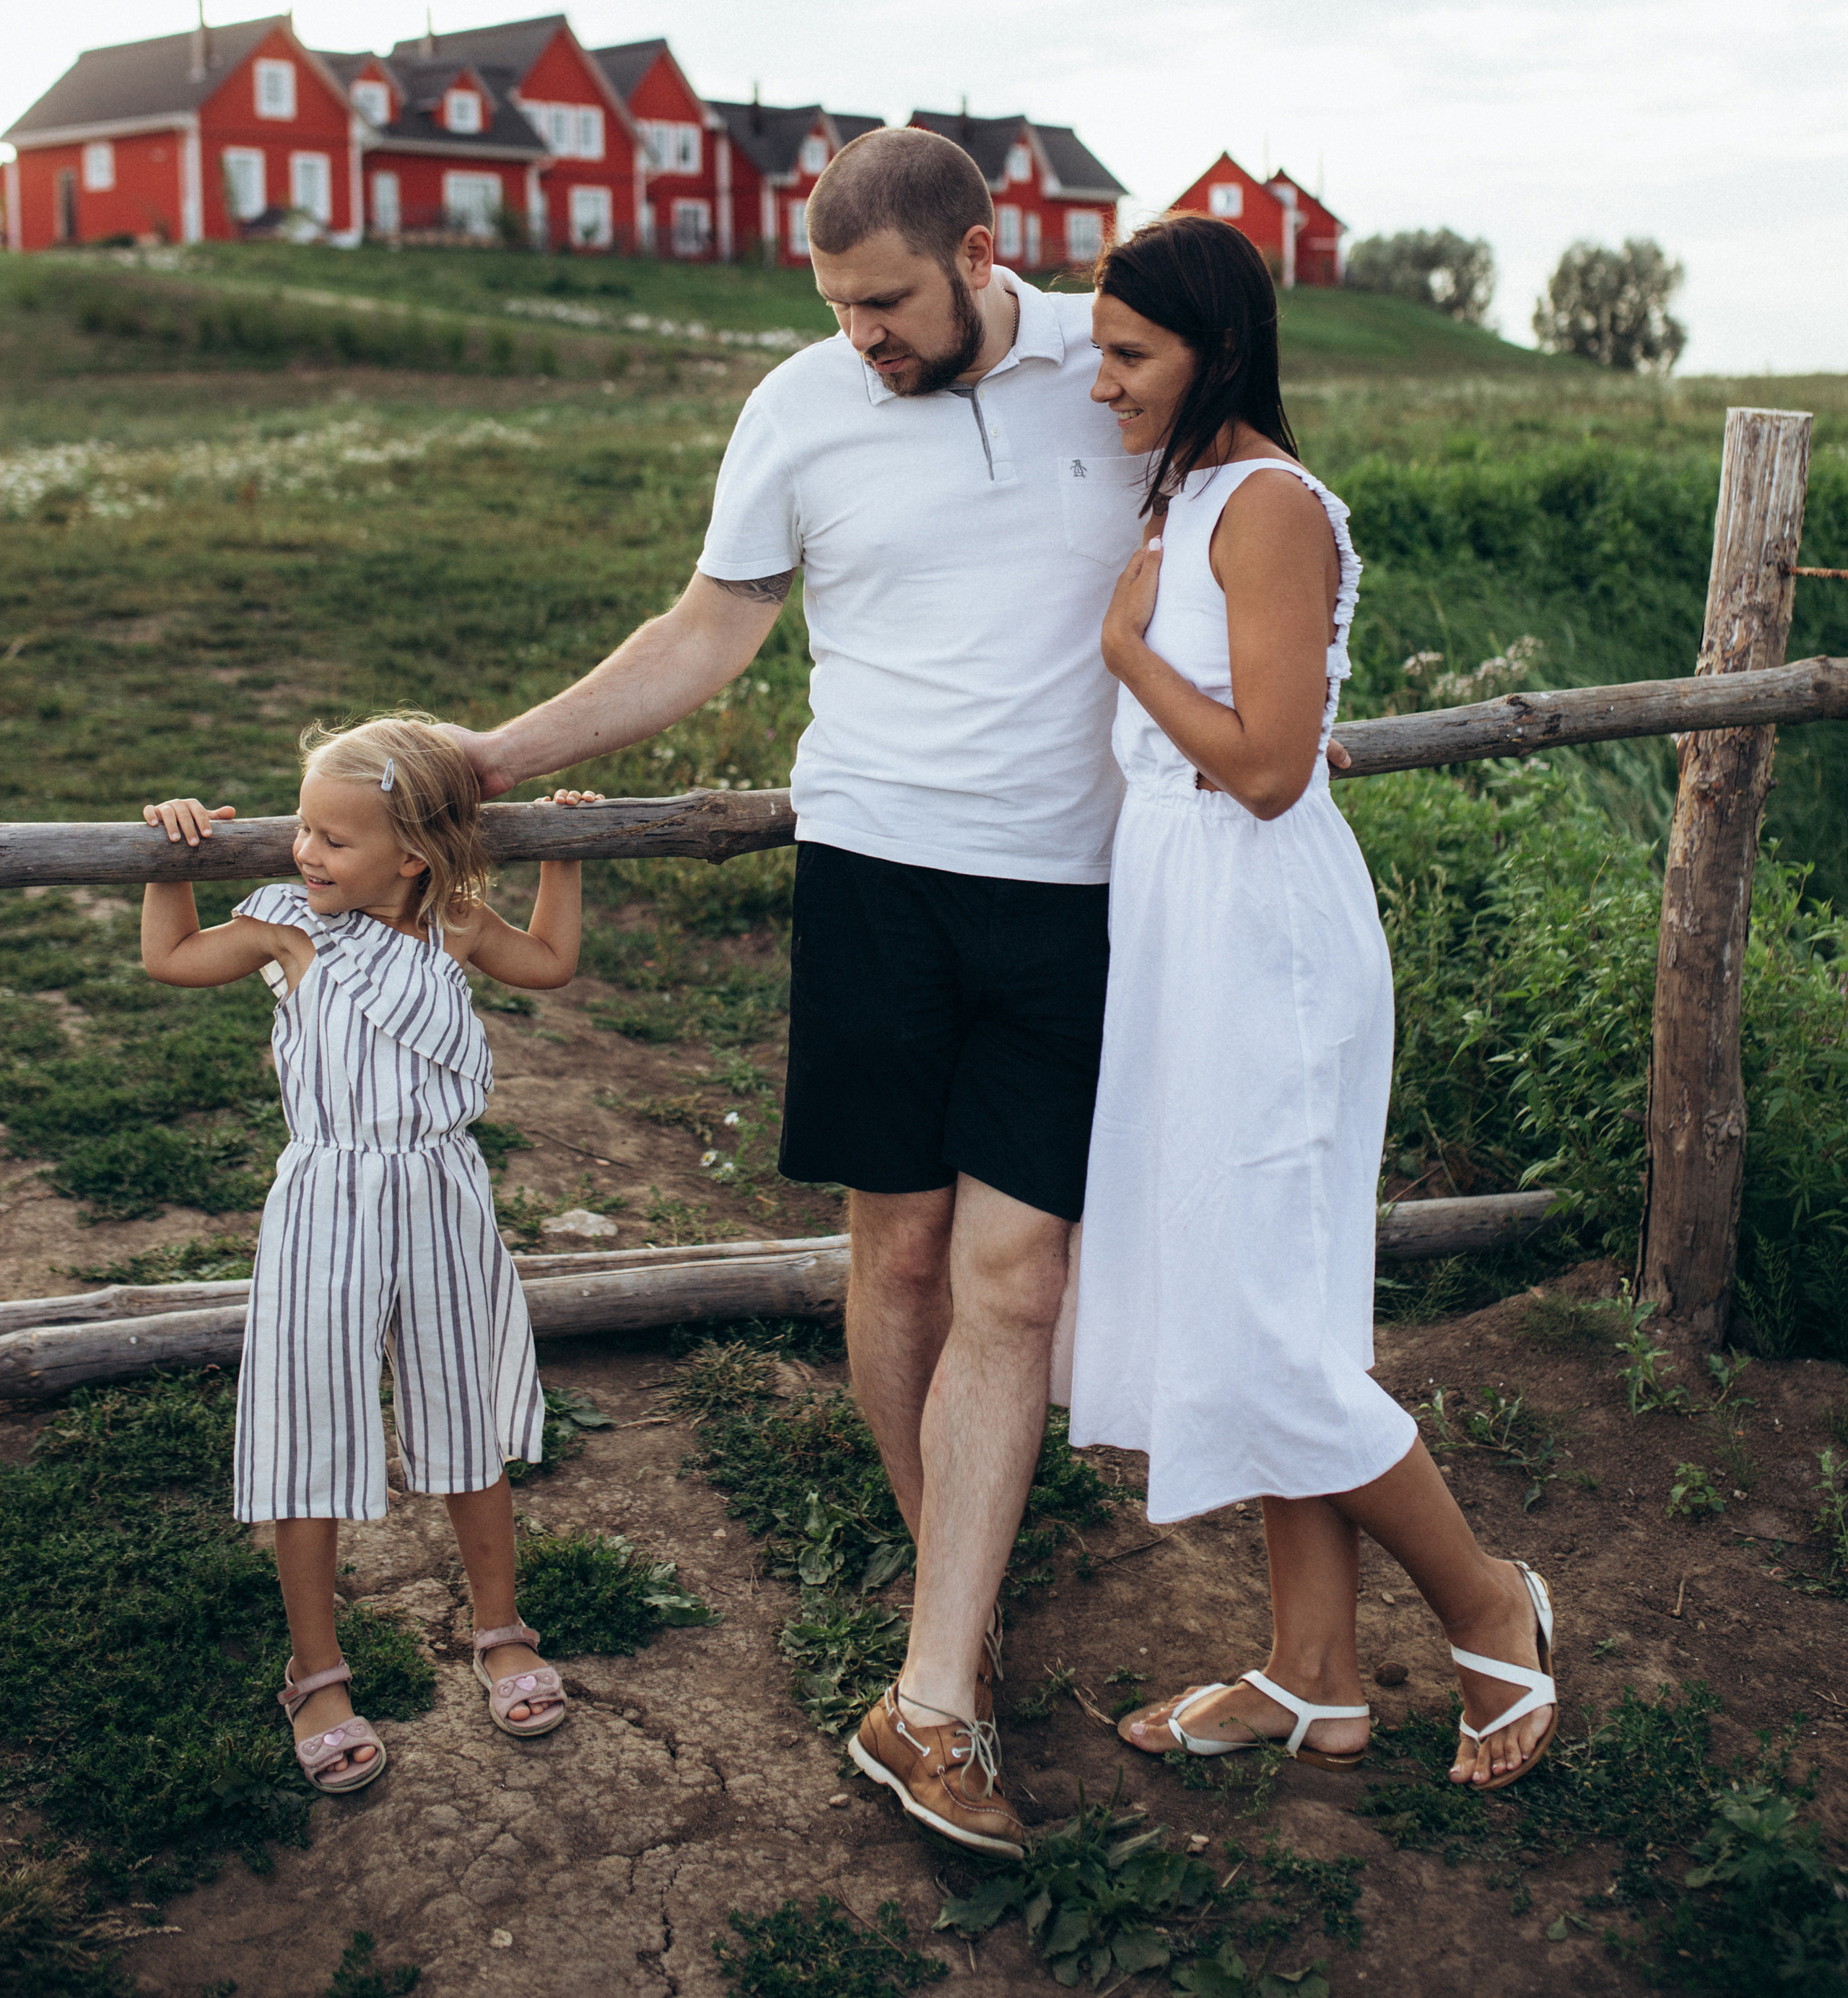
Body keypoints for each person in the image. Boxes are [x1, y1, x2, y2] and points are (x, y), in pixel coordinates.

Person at [446, 127, 1151, 1856]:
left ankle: (929, 1687)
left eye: (888, 304)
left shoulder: (1108, 374)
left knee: (1018, 1273)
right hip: (874, 885)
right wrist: (493, 753)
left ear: (986, 254)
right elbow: (707, 630)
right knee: (899, 1254)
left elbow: (1244, 534)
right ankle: (953, 1628)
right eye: (837, 309)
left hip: (1072, 899)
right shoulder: (798, 407)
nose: (863, 340)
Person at [1068, 214, 1559, 1793]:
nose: (1100, 381)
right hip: (1182, 925)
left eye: (1129, 354)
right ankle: (1313, 1677)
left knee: (1273, 1330)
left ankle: (1490, 1608)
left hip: (1258, 937)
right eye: (1093, 346)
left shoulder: (1266, 504)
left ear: (1214, 349)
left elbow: (1271, 771)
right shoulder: (1190, 488)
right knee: (1248, 1301)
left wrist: (1125, 652)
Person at [141, 718, 605, 1792]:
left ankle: (501, 1630)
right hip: (324, 1203)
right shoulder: (288, 929)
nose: (305, 852)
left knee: (463, 1413)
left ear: (413, 854)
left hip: (441, 1193)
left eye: (332, 840)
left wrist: (568, 858)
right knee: (310, 1425)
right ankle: (317, 1670)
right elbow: (169, 959)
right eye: (303, 828)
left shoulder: (453, 926)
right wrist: (170, 858)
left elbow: (552, 965)